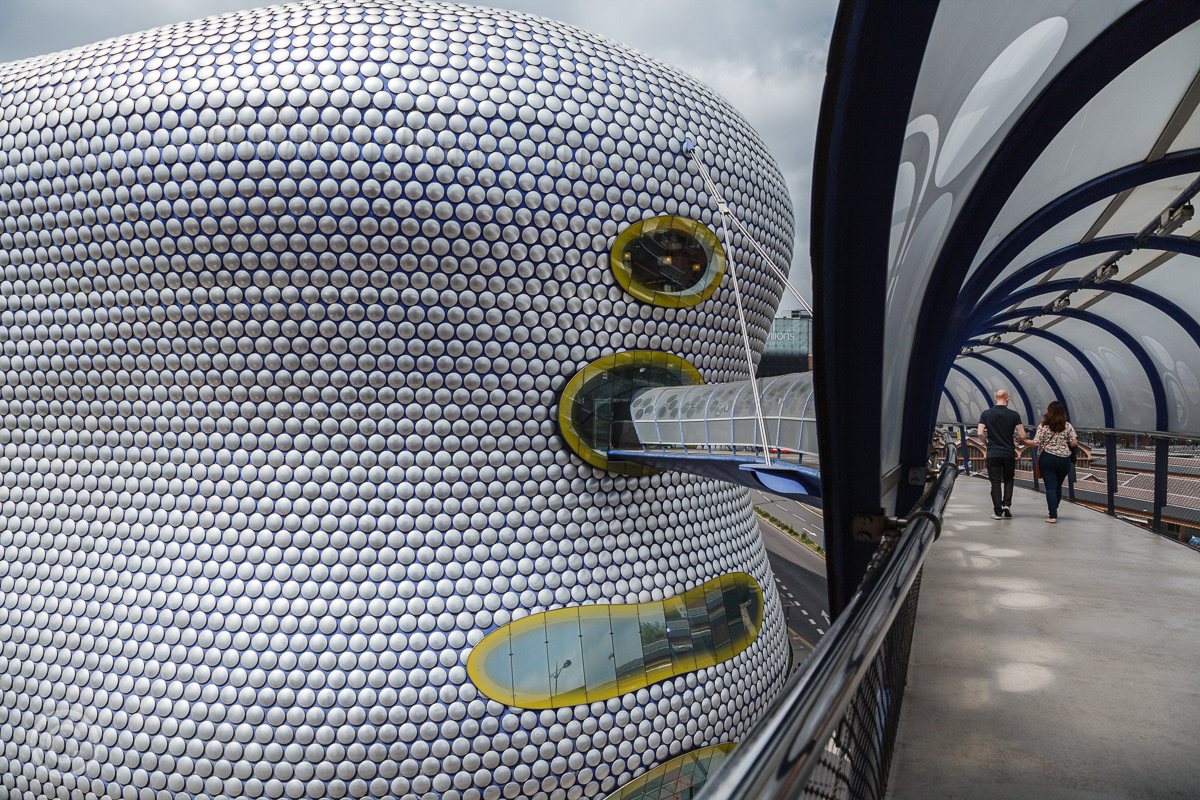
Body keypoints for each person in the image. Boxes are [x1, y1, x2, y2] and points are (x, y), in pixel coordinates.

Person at [978, 390, 1026, 520]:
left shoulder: (986, 414)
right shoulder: (1014, 415)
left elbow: (980, 433)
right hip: (1009, 452)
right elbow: (1022, 435)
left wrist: (987, 444)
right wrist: (1019, 439)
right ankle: (1007, 505)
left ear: (995, 399)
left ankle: (997, 512)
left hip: (993, 452)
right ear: (1007, 399)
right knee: (1009, 479)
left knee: (995, 482)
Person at [1032, 401, 1077, 523]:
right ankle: (1054, 509)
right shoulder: (1067, 426)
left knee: (1050, 487)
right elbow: (1074, 443)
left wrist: (1023, 442)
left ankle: (1052, 515)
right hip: (1064, 459)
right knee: (1058, 486)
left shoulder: (1043, 426)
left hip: (1048, 458)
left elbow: (1036, 442)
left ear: (1050, 412)